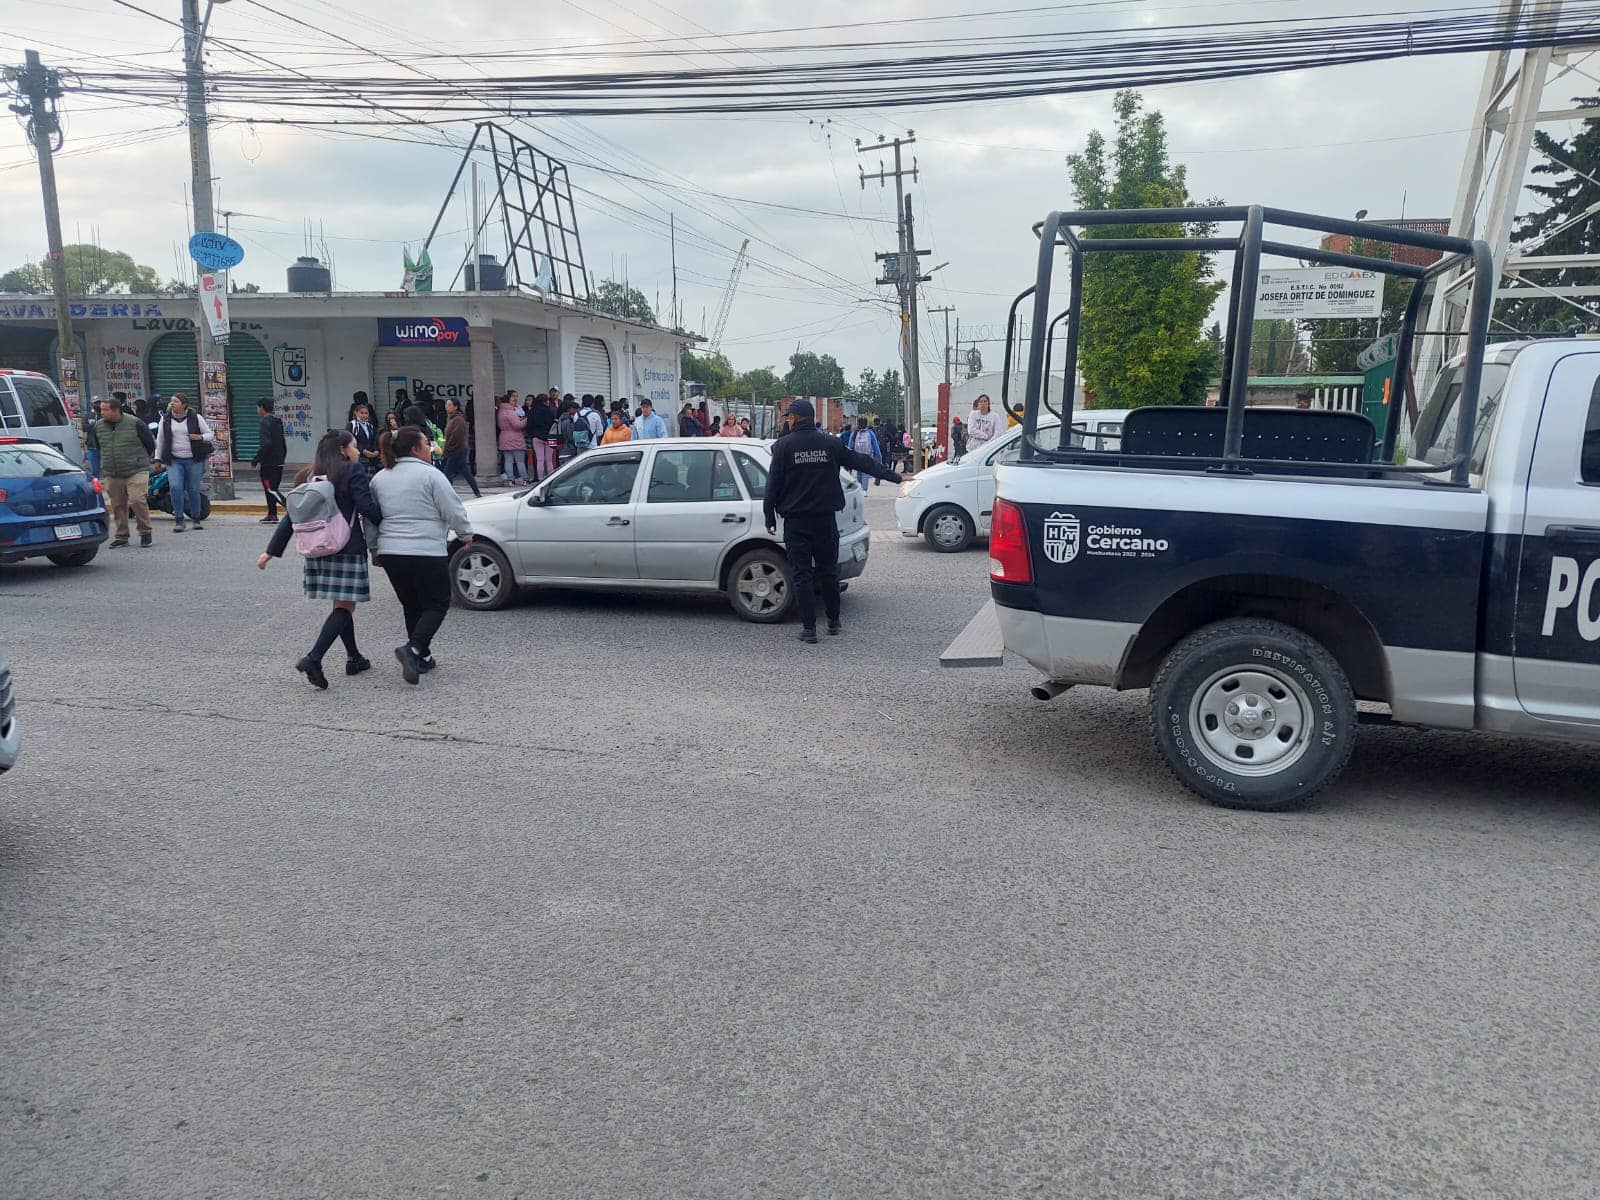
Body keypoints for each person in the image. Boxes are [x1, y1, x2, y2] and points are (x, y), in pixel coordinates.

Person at [763, 398, 901, 644]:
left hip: (796, 522)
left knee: (802, 574)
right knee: (828, 572)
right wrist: (894, 476)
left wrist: (769, 516)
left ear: (793, 419)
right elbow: (862, 462)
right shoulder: (830, 444)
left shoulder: (782, 447)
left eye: (789, 418)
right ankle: (834, 622)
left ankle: (809, 629)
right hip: (826, 521)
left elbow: (772, 485)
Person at [257, 428, 382, 689]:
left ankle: (354, 658)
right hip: (346, 547)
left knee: (341, 606)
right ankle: (314, 657)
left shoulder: (309, 475)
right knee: (345, 608)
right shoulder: (353, 471)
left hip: (318, 549)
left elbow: (293, 516)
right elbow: (367, 508)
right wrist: (390, 520)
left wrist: (271, 550)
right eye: (354, 446)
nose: (357, 451)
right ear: (342, 450)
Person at [370, 425, 473, 684]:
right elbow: (452, 508)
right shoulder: (432, 475)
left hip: (391, 551)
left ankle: (422, 658)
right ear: (415, 449)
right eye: (427, 444)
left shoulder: (380, 478)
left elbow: (369, 518)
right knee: (438, 603)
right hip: (425, 549)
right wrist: (466, 534)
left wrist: (374, 548)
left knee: (411, 605)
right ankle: (413, 649)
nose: (430, 448)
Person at [92, 395, 155, 549]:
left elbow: (150, 444)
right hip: (112, 472)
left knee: (136, 500)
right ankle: (121, 536)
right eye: (101, 410)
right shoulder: (98, 427)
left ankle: (145, 532)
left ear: (116, 410)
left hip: (136, 470)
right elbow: (98, 447)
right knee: (118, 505)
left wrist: (139, 460)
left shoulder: (135, 423)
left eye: (105, 410)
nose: (102, 413)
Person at [153, 392, 214, 532]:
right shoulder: (165, 419)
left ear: (184, 405)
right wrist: (157, 459)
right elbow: (160, 440)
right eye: (172, 401)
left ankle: (196, 518)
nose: (172, 403)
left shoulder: (195, 417)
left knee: (193, 489)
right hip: (174, 459)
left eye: (176, 401)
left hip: (193, 459)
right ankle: (179, 519)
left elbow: (210, 435)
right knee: (175, 487)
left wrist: (199, 437)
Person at [251, 397, 288, 523]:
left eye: (257, 407)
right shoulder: (277, 422)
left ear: (261, 407)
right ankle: (272, 515)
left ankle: (291, 508)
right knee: (272, 488)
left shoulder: (264, 422)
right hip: (279, 461)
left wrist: (257, 458)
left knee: (270, 489)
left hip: (269, 463)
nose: (257, 410)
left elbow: (266, 444)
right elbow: (283, 443)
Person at [438, 396, 481, 497]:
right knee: (464, 472)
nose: (446, 407)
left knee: (448, 472)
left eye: (449, 405)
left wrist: (447, 450)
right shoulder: (452, 419)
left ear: (455, 407)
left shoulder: (458, 420)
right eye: (446, 404)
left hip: (456, 450)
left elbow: (455, 437)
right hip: (456, 449)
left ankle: (447, 494)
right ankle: (476, 492)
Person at [495, 393, 528, 484]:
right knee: (520, 461)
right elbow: (517, 425)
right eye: (513, 400)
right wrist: (526, 419)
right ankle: (525, 479)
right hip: (515, 438)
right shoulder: (510, 412)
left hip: (504, 437)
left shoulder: (500, 411)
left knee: (508, 460)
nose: (515, 402)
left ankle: (510, 479)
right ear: (508, 402)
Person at [523, 391, 556, 481]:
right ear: (546, 401)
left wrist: (531, 434)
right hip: (550, 437)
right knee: (549, 460)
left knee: (540, 460)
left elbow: (528, 426)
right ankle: (550, 479)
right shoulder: (549, 410)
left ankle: (540, 479)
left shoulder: (532, 411)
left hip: (536, 437)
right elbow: (555, 422)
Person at [846, 416, 884, 489]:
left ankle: (860, 488)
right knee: (865, 472)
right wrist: (879, 456)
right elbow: (875, 445)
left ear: (858, 424)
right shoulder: (870, 433)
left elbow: (850, 445)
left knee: (859, 472)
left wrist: (848, 455)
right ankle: (864, 489)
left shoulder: (854, 433)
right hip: (868, 455)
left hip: (857, 455)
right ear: (866, 424)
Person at [348, 397, 380, 474]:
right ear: (356, 413)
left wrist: (375, 450)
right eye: (362, 413)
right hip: (359, 457)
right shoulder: (352, 425)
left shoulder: (369, 425)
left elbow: (374, 439)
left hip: (371, 457)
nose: (364, 415)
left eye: (366, 413)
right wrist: (363, 451)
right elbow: (350, 441)